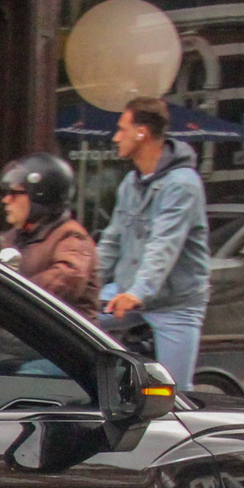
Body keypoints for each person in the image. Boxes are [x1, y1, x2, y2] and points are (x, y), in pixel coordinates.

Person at [93, 94, 211, 387]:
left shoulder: (182, 185)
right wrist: (86, 283)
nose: (116, 137)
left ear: (142, 132)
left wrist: (138, 292)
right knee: (73, 319)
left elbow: (164, 245)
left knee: (172, 393)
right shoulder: (131, 184)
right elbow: (112, 240)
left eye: (122, 129)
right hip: (126, 291)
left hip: (175, 305)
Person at [0, 152, 95, 313]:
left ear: (41, 197)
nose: (6, 200)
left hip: (57, 335)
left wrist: (6, 296)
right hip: (17, 330)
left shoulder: (72, 237)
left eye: (15, 193)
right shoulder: (15, 237)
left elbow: (66, 278)